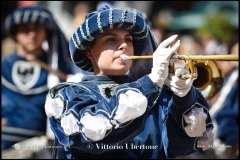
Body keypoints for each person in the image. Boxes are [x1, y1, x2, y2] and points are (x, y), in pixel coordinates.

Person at [45, 6, 214, 159]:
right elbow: (93, 134)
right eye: (111, 39)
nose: (124, 45)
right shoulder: (68, 95)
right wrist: (151, 82)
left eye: (129, 39)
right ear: (89, 51)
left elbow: (182, 146)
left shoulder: (156, 94)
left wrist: (183, 97)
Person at [2, 6, 74, 150]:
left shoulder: (58, 68)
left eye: (37, 29)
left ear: (46, 32)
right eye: (25, 30)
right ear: (15, 33)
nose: (32, 35)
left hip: (42, 144)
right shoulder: (4, 65)